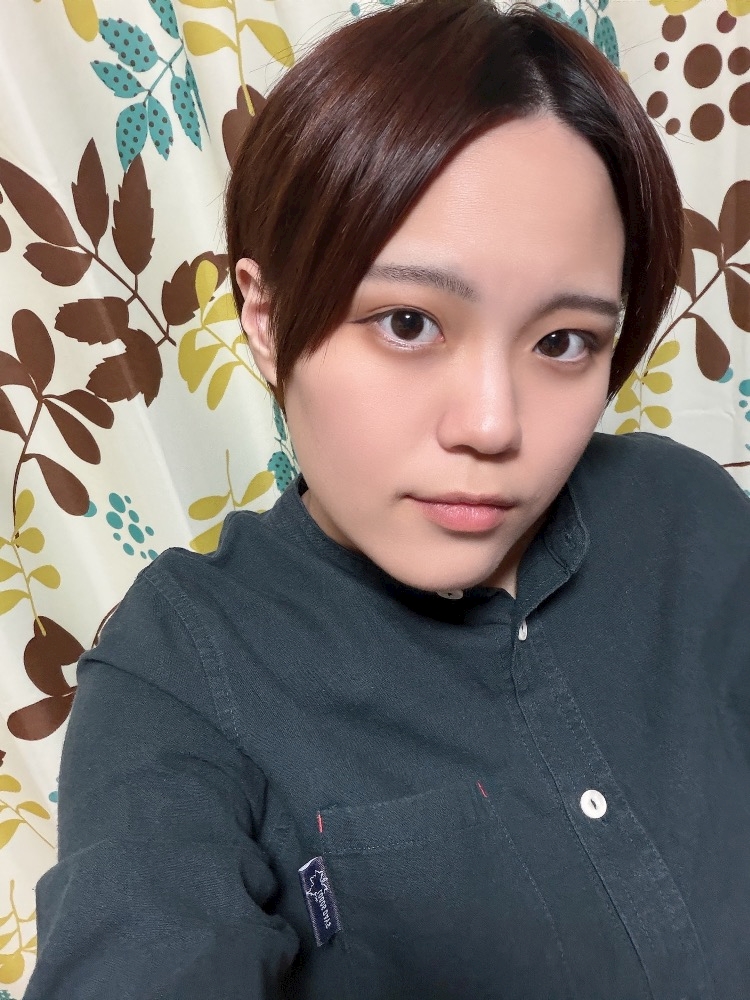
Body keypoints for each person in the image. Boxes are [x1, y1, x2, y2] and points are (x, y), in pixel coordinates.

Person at [25, 0, 750, 997]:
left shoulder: (686, 513)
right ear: (265, 317)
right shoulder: (181, 667)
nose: (491, 424)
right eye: (409, 322)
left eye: (563, 341)